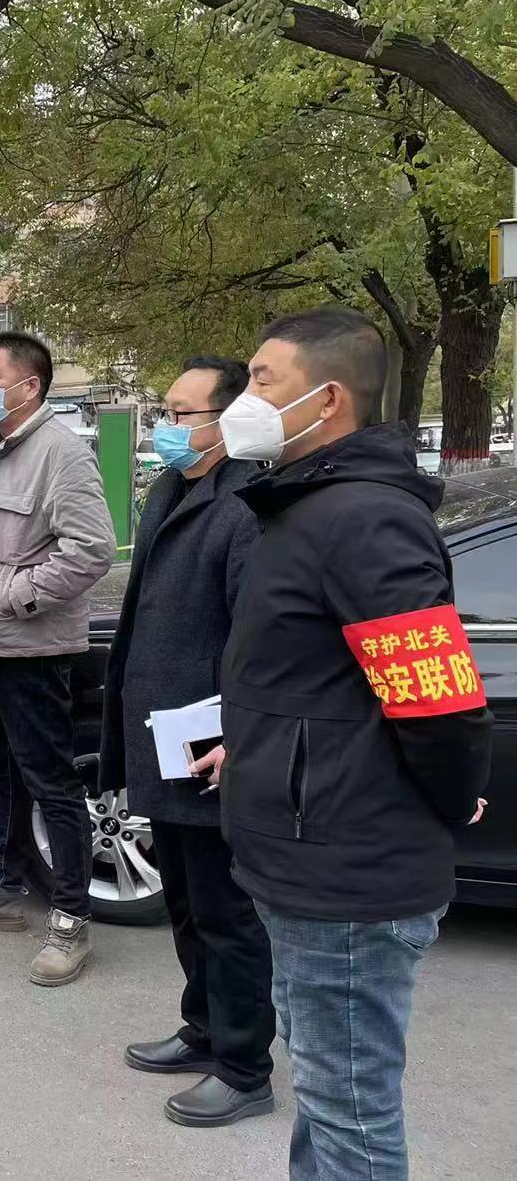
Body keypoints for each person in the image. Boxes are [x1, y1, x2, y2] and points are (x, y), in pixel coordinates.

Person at [204, 306, 492, 1177]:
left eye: (263, 380)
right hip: (305, 859)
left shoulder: (363, 517)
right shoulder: (304, 506)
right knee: (330, 1099)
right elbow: (310, 683)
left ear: (327, 400)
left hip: (348, 875)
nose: (243, 400)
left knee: (350, 1114)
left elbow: (436, 700)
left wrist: (451, 800)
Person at [96, 358, 276, 1127]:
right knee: (185, 903)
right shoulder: (172, 489)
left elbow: (260, 640)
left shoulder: (246, 506)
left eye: (182, 413)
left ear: (225, 422)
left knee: (226, 913)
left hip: (208, 743)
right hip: (163, 736)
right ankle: (202, 1029)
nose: (167, 426)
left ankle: (243, 1067)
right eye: (164, 411)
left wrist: (239, 730)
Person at [0, 330, 115, 987]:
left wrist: (17, 597)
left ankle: (71, 919)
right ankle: (1, 889)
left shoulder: (61, 454)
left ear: (28, 386)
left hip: (31, 650)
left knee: (51, 783)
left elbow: (92, 549)